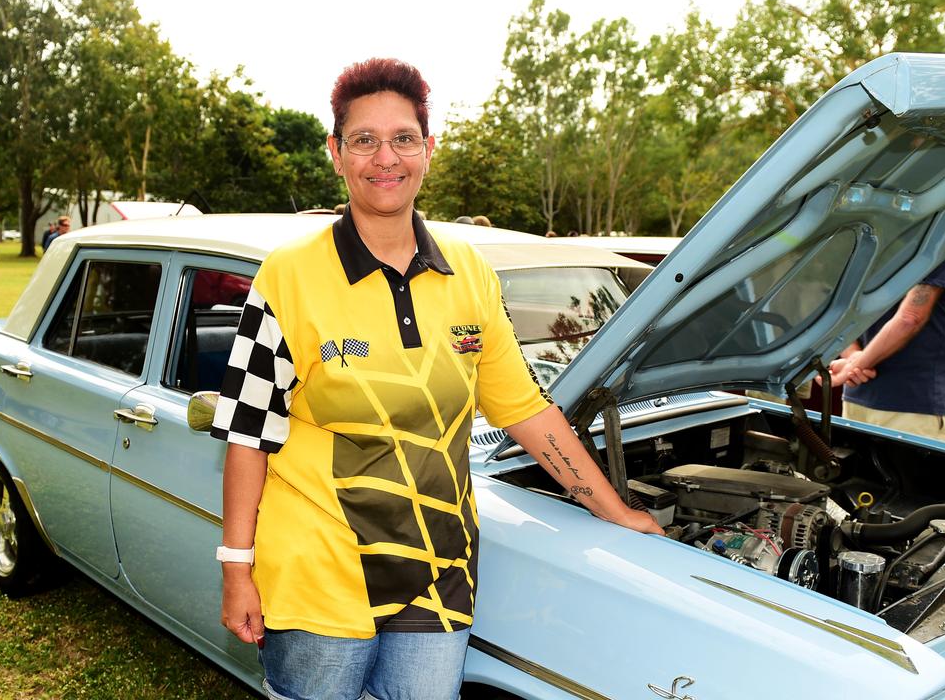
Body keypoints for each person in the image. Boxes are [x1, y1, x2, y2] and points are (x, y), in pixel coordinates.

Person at [212, 58, 660, 700]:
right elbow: (248, 436)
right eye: (363, 140)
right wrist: (237, 568)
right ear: (336, 153)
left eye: (403, 139)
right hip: (319, 568)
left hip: (439, 565)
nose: (384, 157)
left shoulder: (469, 274)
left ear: (428, 149)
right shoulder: (287, 276)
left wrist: (615, 510)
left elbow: (525, 411)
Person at [827, 245, 945, 442]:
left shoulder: (871, 225)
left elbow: (837, 304)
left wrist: (853, 359)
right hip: (912, 403)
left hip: (859, 392)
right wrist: (855, 363)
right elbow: (911, 317)